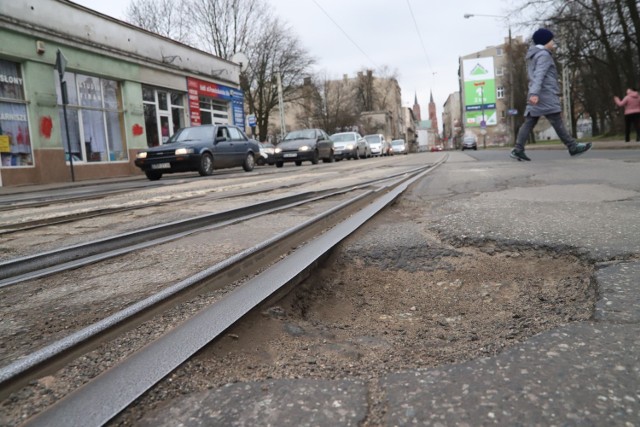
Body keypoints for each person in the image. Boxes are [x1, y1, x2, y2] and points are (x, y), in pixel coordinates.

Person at [511, 28, 591, 161]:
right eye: (551, 40)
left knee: (529, 121)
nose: (553, 42)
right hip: (544, 94)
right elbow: (539, 75)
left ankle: (518, 149)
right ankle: (572, 146)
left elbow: (534, 76)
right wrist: (535, 93)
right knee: (556, 120)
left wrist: (533, 93)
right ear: (545, 41)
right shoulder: (543, 55)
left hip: (535, 93)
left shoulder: (532, 55)